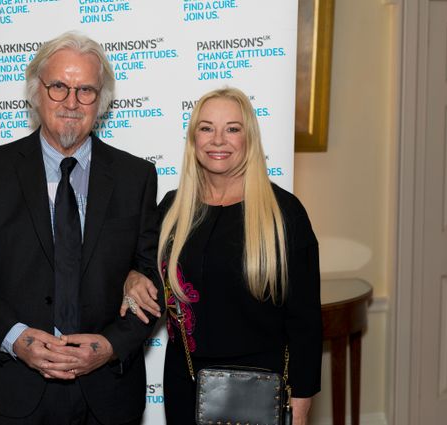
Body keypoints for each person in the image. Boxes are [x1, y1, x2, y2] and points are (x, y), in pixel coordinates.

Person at [0, 31, 162, 425]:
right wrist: (17, 339)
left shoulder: (136, 176)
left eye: (86, 91)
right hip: (16, 388)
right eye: (59, 86)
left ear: (102, 101)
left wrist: (111, 345)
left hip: (108, 392)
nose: (72, 103)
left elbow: (152, 281)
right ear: (36, 92)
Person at [120, 87, 322, 425]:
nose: (218, 140)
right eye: (206, 128)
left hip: (261, 388)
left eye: (232, 128)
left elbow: (305, 323)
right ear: (193, 139)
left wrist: (299, 407)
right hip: (185, 382)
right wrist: (132, 276)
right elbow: (144, 272)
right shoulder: (171, 209)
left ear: (249, 138)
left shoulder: (284, 214)